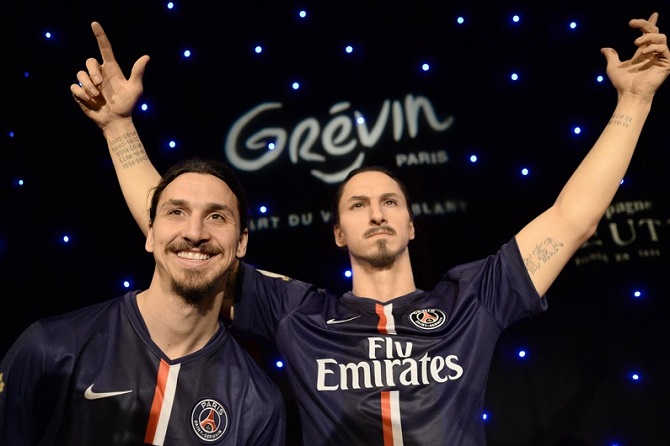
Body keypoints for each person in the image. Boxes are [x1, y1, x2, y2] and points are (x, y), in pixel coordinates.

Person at [69, 14, 670, 445]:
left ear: (411, 225)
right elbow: (182, 232)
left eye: (389, 202)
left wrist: (635, 102)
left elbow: (573, 220)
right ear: (338, 232)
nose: (376, 212)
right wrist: (119, 129)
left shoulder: (473, 299)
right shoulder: (297, 312)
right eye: (357, 204)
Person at [0, 157, 286, 444]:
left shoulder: (258, 404)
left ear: (241, 242)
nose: (195, 233)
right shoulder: (52, 348)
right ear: (150, 233)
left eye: (216, 217)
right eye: (176, 212)